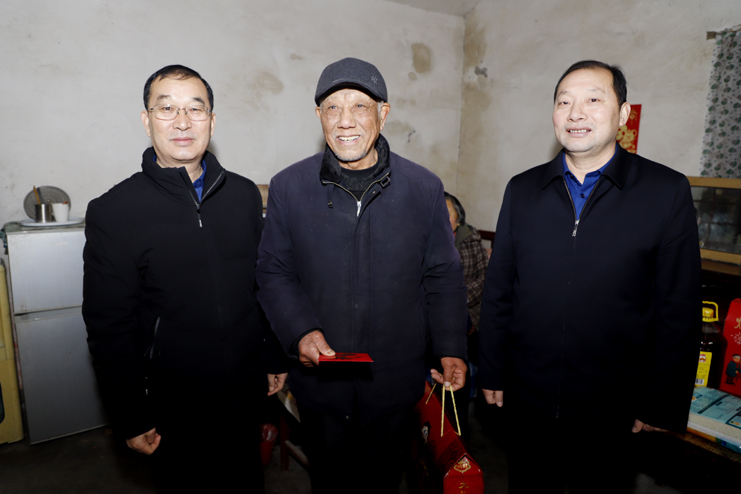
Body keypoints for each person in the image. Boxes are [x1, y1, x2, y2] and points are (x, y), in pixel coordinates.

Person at [478, 60, 701, 494]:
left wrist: (661, 403)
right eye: (564, 102)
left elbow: (679, 306)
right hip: (527, 398)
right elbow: (499, 290)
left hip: (614, 407)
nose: (575, 113)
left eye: (593, 100)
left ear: (623, 114)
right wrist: (491, 371)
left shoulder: (665, 191)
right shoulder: (522, 189)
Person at [256, 57, 468, 494]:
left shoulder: (424, 188)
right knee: (329, 483)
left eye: (360, 106)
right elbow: (274, 269)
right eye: (333, 107)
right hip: (322, 384)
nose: (345, 120)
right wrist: (300, 331)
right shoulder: (289, 187)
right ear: (319, 116)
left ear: (383, 114)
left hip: (394, 381)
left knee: (382, 483)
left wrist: (450, 345)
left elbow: (442, 274)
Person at [82, 65, 286, 493]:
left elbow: (261, 284)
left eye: (195, 108)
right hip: (173, 401)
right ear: (147, 120)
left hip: (245, 389)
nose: (182, 121)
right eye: (167, 108)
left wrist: (273, 357)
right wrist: (130, 413)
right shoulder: (114, 211)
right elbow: (108, 324)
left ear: (212, 120)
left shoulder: (244, 195)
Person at [444, 192, 489, 334]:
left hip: (468, 307)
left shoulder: (471, 237)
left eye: (447, 213)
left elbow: (484, 276)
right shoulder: (424, 240)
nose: (441, 217)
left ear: (459, 219)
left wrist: (462, 298)